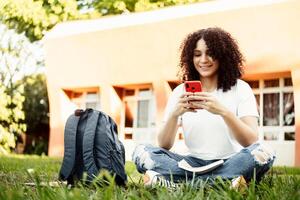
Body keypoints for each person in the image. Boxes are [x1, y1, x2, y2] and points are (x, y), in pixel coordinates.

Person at [132, 27, 275, 187]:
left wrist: (223, 112)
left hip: (231, 160)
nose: (203, 60)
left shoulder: (240, 89)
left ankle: (178, 184)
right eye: (197, 54)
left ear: (223, 55)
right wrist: (174, 115)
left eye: (210, 53)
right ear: (190, 58)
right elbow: (164, 145)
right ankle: (223, 182)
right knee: (142, 151)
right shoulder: (180, 92)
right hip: (190, 164)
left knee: (263, 151)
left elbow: (251, 141)